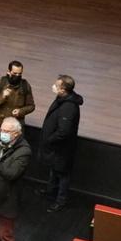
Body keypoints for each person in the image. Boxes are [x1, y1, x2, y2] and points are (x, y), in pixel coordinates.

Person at [39, 75, 84, 212]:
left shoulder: (68, 107)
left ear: (63, 89)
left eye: (57, 85)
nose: (54, 86)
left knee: (63, 174)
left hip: (62, 149)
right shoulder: (63, 99)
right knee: (55, 170)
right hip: (57, 149)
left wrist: (49, 139)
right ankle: (50, 192)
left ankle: (60, 201)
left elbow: (64, 131)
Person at [0, 60, 35, 128]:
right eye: (15, 73)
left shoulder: (25, 85)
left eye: (20, 74)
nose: (17, 76)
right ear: (8, 71)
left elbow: (31, 106)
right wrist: (2, 97)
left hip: (15, 126)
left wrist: (20, 111)